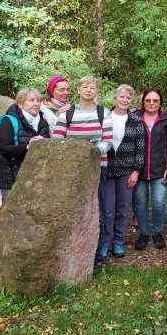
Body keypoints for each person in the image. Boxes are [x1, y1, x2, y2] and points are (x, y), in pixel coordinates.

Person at [52, 76, 111, 264]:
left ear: (96, 90)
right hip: (72, 169)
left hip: (97, 167)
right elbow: (57, 141)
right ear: (78, 89)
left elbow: (108, 141)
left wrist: (91, 151)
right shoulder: (67, 114)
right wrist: (77, 150)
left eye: (92, 87)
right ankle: (72, 249)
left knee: (97, 208)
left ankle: (98, 251)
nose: (88, 90)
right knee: (73, 208)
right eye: (84, 86)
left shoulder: (104, 112)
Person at [101, 85, 145, 259]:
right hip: (107, 169)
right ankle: (104, 242)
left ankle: (118, 242)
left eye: (128, 97)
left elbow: (140, 149)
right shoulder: (104, 117)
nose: (124, 100)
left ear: (131, 100)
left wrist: (136, 171)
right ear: (115, 98)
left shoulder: (136, 121)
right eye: (121, 96)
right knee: (107, 209)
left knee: (122, 209)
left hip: (127, 170)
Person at [133, 87, 167, 250]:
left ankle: (157, 232)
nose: (151, 103)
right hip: (139, 170)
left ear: (160, 103)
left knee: (158, 202)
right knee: (141, 203)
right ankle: (143, 234)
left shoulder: (166, 119)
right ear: (143, 102)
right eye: (148, 100)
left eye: (155, 100)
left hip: (160, 170)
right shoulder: (135, 118)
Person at [0, 88, 50, 202]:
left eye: (38, 100)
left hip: (35, 176)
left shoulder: (43, 121)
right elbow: (3, 148)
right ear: (20, 104)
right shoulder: (9, 121)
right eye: (31, 100)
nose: (36, 103)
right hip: (11, 177)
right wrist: (27, 146)